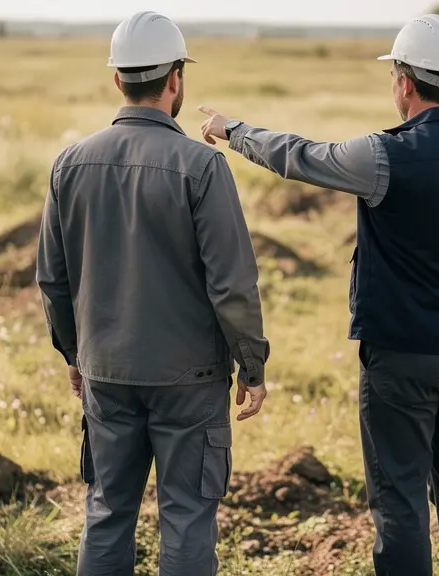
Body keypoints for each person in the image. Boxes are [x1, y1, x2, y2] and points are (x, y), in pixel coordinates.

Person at [198, 14, 439, 576]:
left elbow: (300, 156)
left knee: (400, 498)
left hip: (400, 356)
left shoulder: (383, 156)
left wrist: (234, 131)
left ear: (404, 81)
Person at [36, 11, 270, 576]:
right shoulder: (204, 165)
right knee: (188, 517)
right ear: (175, 80)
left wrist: (74, 355)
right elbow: (232, 284)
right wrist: (253, 366)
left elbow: (53, 277)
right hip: (191, 382)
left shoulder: (69, 163)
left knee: (107, 511)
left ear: (118, 80)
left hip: (106, 373)